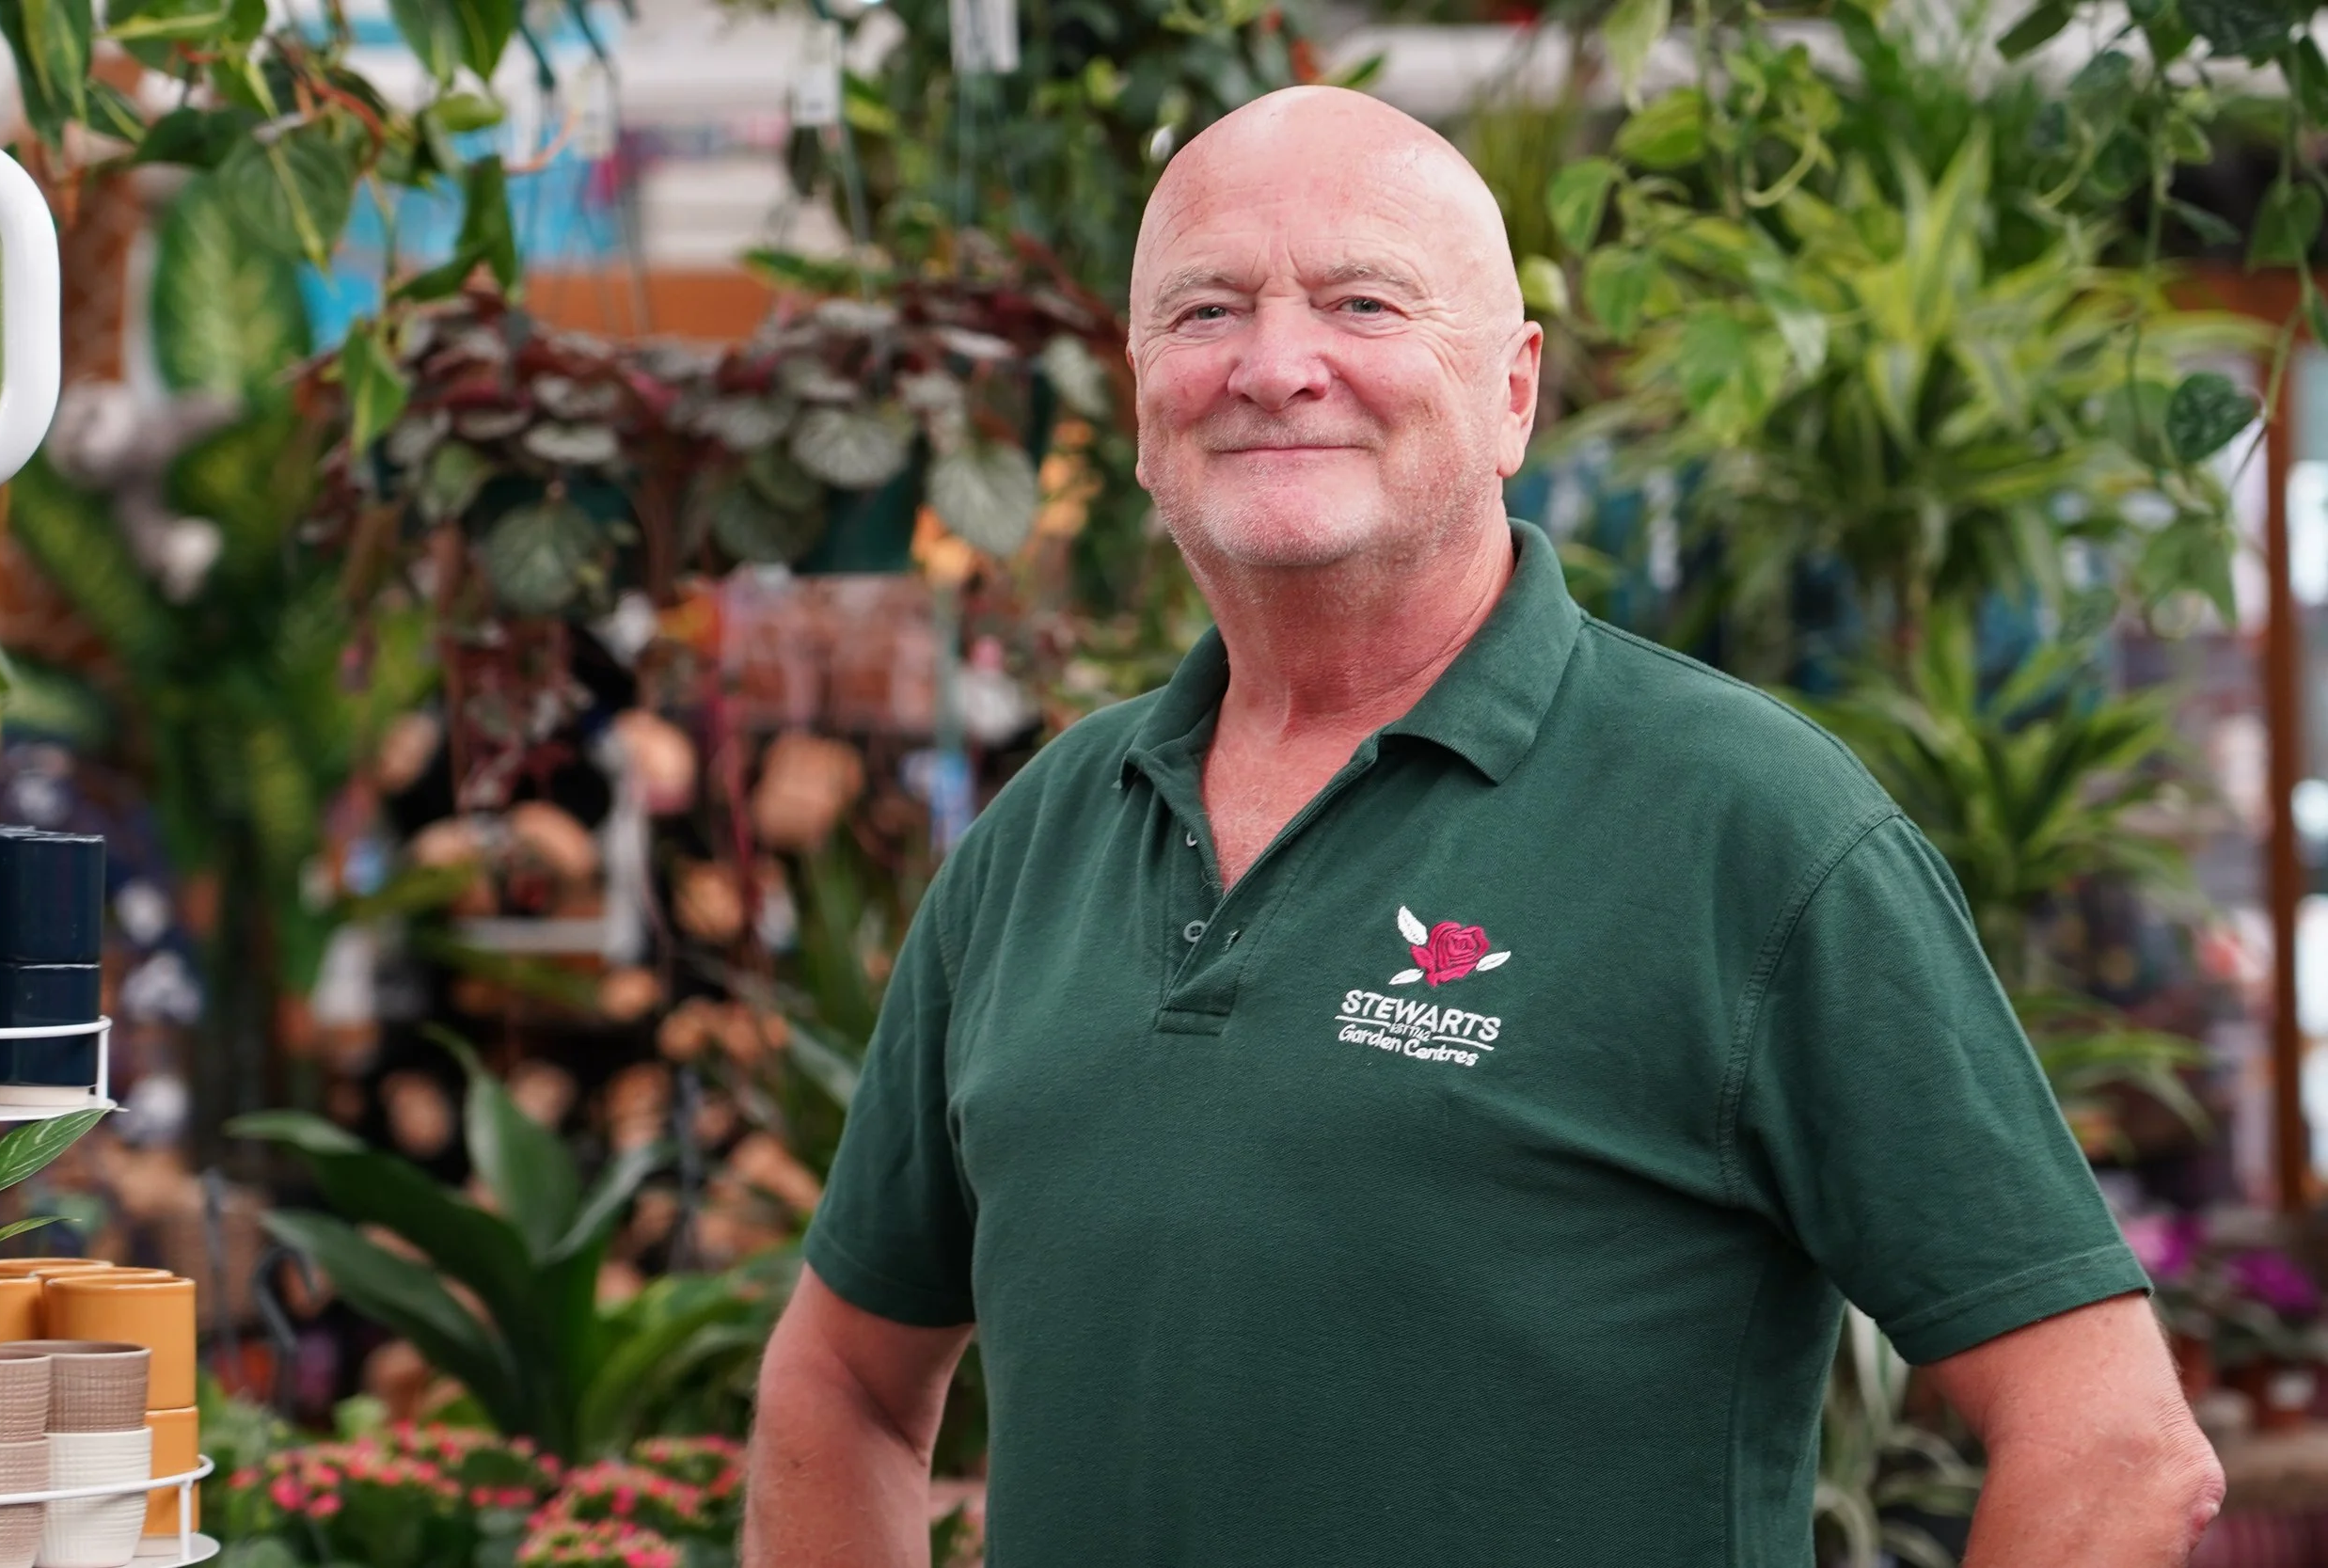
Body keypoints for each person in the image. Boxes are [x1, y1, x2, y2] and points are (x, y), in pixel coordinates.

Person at [745, 86, 2224, 1567]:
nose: (1277, 365)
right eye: (1204, 313)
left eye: (1364, 302)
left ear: (1514, 391)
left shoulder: (1750, 829)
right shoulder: (1038, 841)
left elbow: (2112, 1447)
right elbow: (846, 1385)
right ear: (1139, 400)